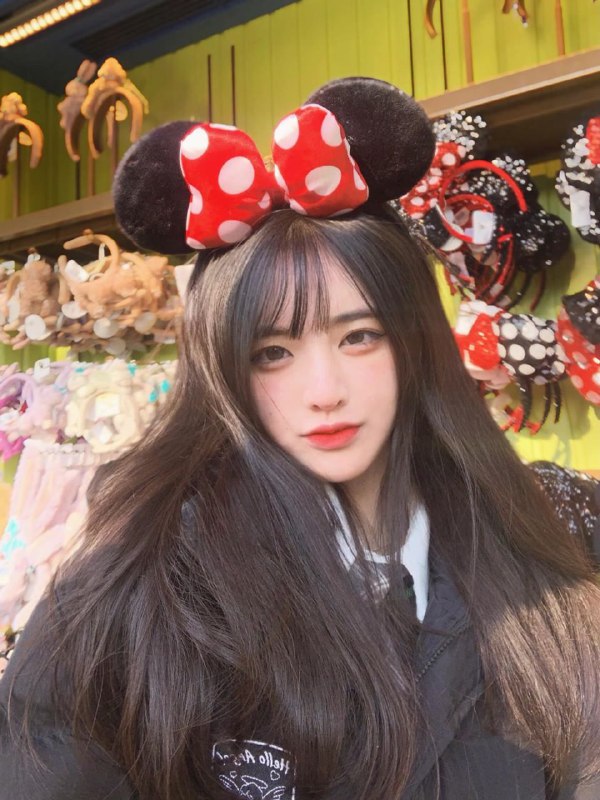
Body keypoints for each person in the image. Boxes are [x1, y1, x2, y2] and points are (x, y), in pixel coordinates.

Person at [0, 77, 599, 800]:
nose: (324, 391)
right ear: (223, 369)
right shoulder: (138, 589)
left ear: (416, 340)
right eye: (273, 352)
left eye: (359, 336)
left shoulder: (536, 548)